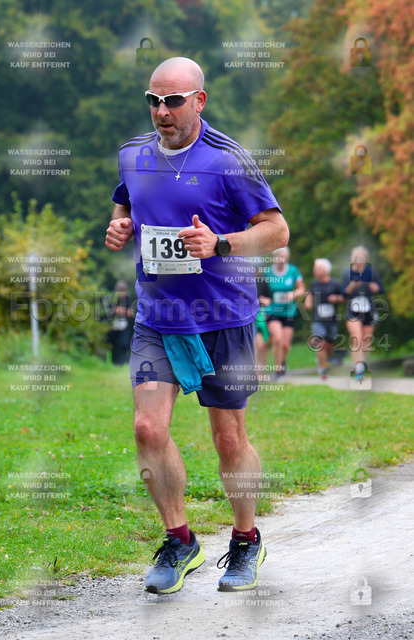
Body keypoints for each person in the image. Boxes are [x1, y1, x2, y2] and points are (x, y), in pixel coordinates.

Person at [105, 57, 289, 594]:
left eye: (173, 100)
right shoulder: (132, 155)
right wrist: (119, 227)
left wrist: (221, 243)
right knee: (147, 428)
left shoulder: (228, 160)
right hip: (158, 317)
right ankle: (180, 539)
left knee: (229, 438)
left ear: (199, 100)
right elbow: (125, 203)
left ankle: (246, 539)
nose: (162, 111)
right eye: (153, 100)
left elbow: (276, 230)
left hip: (223, 317)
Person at [257, 247, 305, 379]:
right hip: (272, 310)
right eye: (280, 256)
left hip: (289, 311)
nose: (282, 259)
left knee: (285, 345)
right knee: (277, 338)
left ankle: (282, 364)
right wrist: (262, 299)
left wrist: (294, 294)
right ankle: (278, 371)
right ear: (275, 257)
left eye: (285, 257)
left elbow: (301, 288)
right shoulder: (267, 272)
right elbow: (259, 288)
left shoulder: (293, 270)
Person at [341, 246, 384, 380]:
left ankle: (361, 362)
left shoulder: (371, 272)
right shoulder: (347, 273)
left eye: (362, 258)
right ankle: (358, 369)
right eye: (357, 258)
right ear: (353, 259)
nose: (359, 260)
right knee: (357, 337)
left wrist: (376, 288)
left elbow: (381, 288)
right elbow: (343, 294)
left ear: (366, 259)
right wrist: (351, 287)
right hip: (352, 308)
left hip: (368, 307)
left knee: (366, 340)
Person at [304, 259, 344, 379]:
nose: (315, 271)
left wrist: (336, 298)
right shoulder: (314, 284)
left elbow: (343, 297)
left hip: (331, 320)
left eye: (318, 269)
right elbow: (310, 294)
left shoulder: (335, 284)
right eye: (315, 268)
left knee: (329, 345)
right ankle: (322, 369)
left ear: (326, 270)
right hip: (318, 319)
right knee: (320, 342)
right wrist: (308, 301)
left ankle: (324, 360)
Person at [106, 280, 135, 365]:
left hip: (124, 326)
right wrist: (114, 311)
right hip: (112, 325)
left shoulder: (129, 298)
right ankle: (112, 362)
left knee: (123, 344)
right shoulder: (110, 298)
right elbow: (104, 311)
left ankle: (121, 363)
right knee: (112, 344)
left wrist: (130, 312)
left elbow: (132, 310)